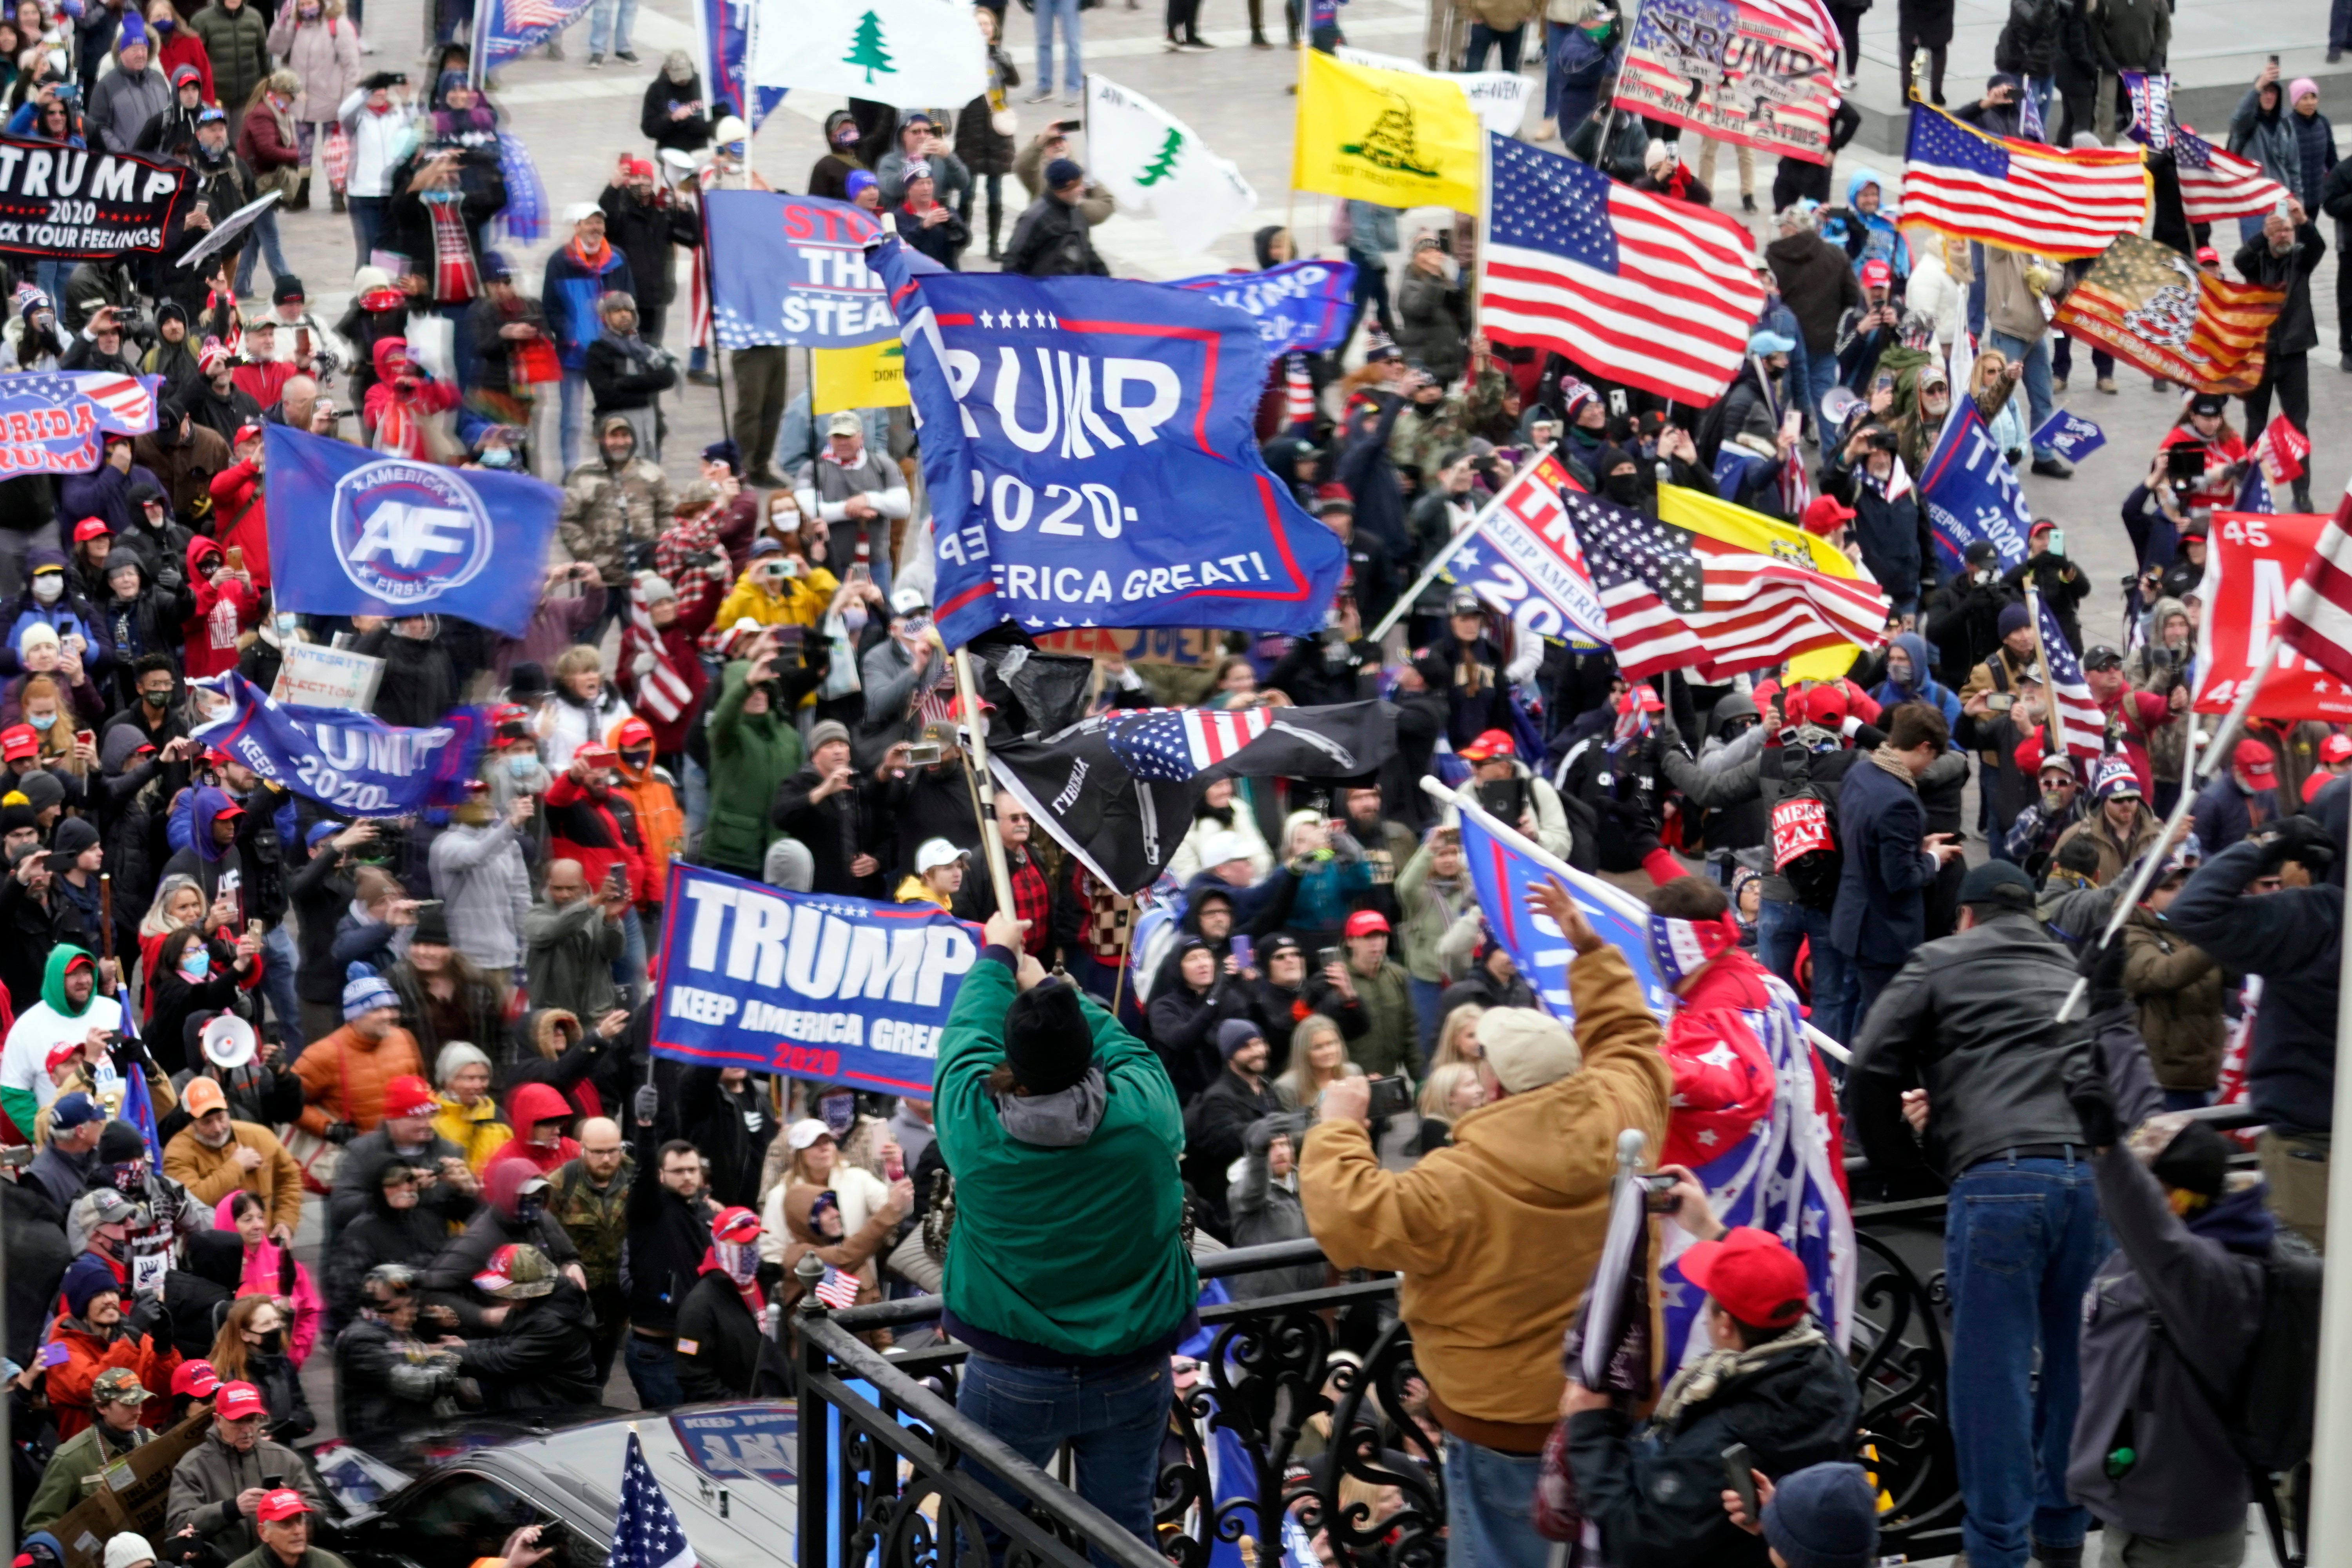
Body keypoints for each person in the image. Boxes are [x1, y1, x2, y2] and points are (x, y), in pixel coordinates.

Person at [1299, 882, 1668, 1568]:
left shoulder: (1457, 1182)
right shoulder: (1627, 1114)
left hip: (1504, 1431)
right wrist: (1588, 949)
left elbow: (1350, 1223)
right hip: (1619, 1407)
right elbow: (1631, 1039)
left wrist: (1338, 1127)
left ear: (1494, 1086)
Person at [1844, 858, 2100, 1568]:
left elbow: (1869, 1070)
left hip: (2000, 1180)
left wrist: (1906, 1169)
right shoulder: (2067, 965)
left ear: (1965, 914)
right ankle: (2063, 1533)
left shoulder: (1939, 960)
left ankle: (1995, 1549)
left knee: (1993, 1381)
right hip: (2091, 1178)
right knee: (2077, 1370)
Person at [935, 909, 1194, 1550]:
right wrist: (1064, 998)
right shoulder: (1144, 1117)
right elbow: (1128, 1049)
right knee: (1123, 1536)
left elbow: (962, 1040)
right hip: (1132, 1366)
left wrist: (996, 956)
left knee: (980, 1537)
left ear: (1011, 1062)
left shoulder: (974, 1124)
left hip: (1014, 1371)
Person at [1565, 1204, 1859, 1568]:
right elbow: (1772, 1297)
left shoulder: (1717, 1443)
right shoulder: (1826, 1362)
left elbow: (1639, 1540)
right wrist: (1708, 1228)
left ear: (1725, 1325)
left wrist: (1589, 1429)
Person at [2167, 802, 2343, 1251]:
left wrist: (2266, 841)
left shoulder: (2319, 917)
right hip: (2316, 1140)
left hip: (2312, 1155)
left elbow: (2194, 909)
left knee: (2306, 1305)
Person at [1833, 703, 1966, 1025]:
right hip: (1882, 936)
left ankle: (1838, 1074)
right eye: (1932, 758)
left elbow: (1862, 838)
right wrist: (1933, 858)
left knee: (1847, 1010)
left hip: (1851, 921)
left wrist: (1912, 847)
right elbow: (1901, 878)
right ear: (1924, 748)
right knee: (1882, 1023)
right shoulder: (1900, 802)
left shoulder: (1860, 772)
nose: (1929, 766)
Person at [163, 1379, 321, 1561]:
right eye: (238, 1422)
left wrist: (289, 1504)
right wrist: (231, 1509)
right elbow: (177, 1525)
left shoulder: (284, 1459)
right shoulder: (193, 1466)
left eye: (252, 1420)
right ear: (218, 1420)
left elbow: (320, 1514)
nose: (247, 1430)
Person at [330, 1263, 461, 1455]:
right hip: (386, 1448)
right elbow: (421, 1384)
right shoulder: (361, 1341)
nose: (414, 1312)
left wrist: (437, 1327)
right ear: (385, 1310)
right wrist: (451, 1357)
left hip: (414, 1438)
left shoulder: (395, 1328)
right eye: (408, 1306)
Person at [292, 972, 426, 1139]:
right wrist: (328, 1129)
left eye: (391, 1008)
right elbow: (287, 1104)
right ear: (354, 1016)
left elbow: (423, 1090)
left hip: (409, 1144)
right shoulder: (322, 1054)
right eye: (376, 1009)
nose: (388, 1016)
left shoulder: (405, 1038)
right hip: (357, 1154)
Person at [549, 1116, 631, 1385]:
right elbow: (541, 1233)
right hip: (576, 1306)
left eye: (613, 1151)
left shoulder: (637, 1178)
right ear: (583, 1148)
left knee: (601, 1377)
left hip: (617, 1306)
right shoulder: (563, 1182)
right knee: (573, 1380)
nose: (607, 1159)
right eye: (598, 1152)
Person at [161, 1076, 303, 1232]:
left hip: (264, 1243)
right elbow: (189, 1202)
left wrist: (285, 1222)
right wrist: (236, 1167)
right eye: (207, 1122)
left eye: (221, 1118)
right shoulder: (177, 1152)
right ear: (191, 1121)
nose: (218, 1128)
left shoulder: (260, 1136)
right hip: (216, 1248)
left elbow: (290, 1178)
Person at [23, 1366, 156, 1530]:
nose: (138, 1412)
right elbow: (38, 1524)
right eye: (129, 1404)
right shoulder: (71, 1459)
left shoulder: (152, 1443)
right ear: (102, 1408)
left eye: (140, 1402)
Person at [674, 1205, 783, 1400]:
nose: (751, 1249)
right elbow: (693, 1377)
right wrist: (742, 1407)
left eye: (755, 1240)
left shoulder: (769, 1284)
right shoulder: (699, 1307)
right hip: (734, 1416)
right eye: (742, 1243)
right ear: (720, 1245)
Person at [523, 858, 627, 1024]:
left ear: (584, 887)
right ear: (548, 887)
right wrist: (597, 899)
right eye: (558, 888)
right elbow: (557, 928)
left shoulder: (601, 912)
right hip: (552, 1015)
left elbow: (614, 953)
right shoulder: (537, 914)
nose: (565, 894)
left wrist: (612, 919)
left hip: (595, 1013)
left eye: (571, 888)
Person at [1004, 158, 1107, 278]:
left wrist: (1106, 278)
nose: (1083, 189)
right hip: (1045, 291)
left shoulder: (1076, 213)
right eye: (1079, 184)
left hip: (1075, 289)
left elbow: (1087, 251)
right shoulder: (1034, 218)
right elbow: (1014, 260)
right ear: (1068, 185)